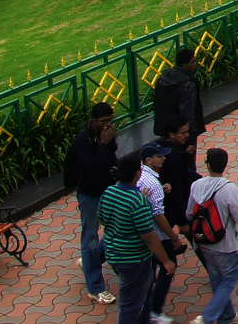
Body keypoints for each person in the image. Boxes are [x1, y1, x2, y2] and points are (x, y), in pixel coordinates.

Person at [100, 153, 175, 324]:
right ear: (137, 174)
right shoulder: (138, 200)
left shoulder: (109, 192)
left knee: (145, 292)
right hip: (133, 259)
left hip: (114, 254)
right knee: (130, 304)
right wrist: (167, 261)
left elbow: (102, 219)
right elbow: (149, 237)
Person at [187, 145, 238, 324]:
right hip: (225, 243)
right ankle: (208, 317)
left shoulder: (196, 185)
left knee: (216, 278)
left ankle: (227, 316)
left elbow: (189, 213)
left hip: (203, 242)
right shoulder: (229, 189)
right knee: (230, 276)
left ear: (207, 165)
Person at [69, 101, 120, 304]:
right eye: (103, 121)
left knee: (115, 231)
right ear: (93, 120)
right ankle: (95, 287)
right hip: (90, 194)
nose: (107, 125)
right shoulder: (82, 140)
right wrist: (104, 144)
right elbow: (91, 169)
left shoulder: (105, 135)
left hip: (107, 191)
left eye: (110, 121)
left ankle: (91, 262)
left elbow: (111, 158)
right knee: (90, 239)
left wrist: (109, 142)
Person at [136, 142, 186, 322]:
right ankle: (154, 311)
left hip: (143, 235)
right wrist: (173, 237)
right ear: (149, 160)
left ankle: (147, 309)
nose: (164, 158)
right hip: (157, 236)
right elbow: (158, 216)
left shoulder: (142, 177)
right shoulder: (152, 183)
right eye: (160, 156)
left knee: (149, 273)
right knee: (168, 266)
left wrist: (161, 189)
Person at [153, 47, 205, 140]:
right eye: (193, 62)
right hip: (182, 134)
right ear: (184, 66)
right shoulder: (187, 84)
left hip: (165, 130)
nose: (196, 64)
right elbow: (188, 112)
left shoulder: (165, 76)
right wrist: (191, 137)